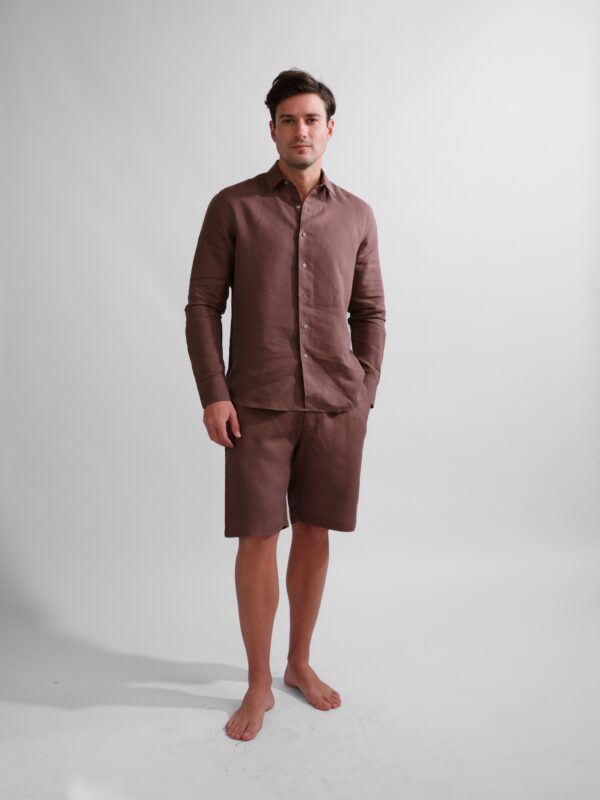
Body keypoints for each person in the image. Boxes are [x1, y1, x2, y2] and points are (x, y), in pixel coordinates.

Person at [184, 68, 386, 741]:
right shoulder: (232, 207)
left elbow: (370, 311)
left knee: (316, 532)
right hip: (256, 404)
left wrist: (364, 392)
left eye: (312, 119)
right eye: (288, 120)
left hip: (336, 406)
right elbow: (202, 306)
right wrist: (215, 393)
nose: (301, 130)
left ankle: (298, 663)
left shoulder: (357, 215)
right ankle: (258, 682)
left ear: (330, 129)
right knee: (257, 538)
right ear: (271, 129)